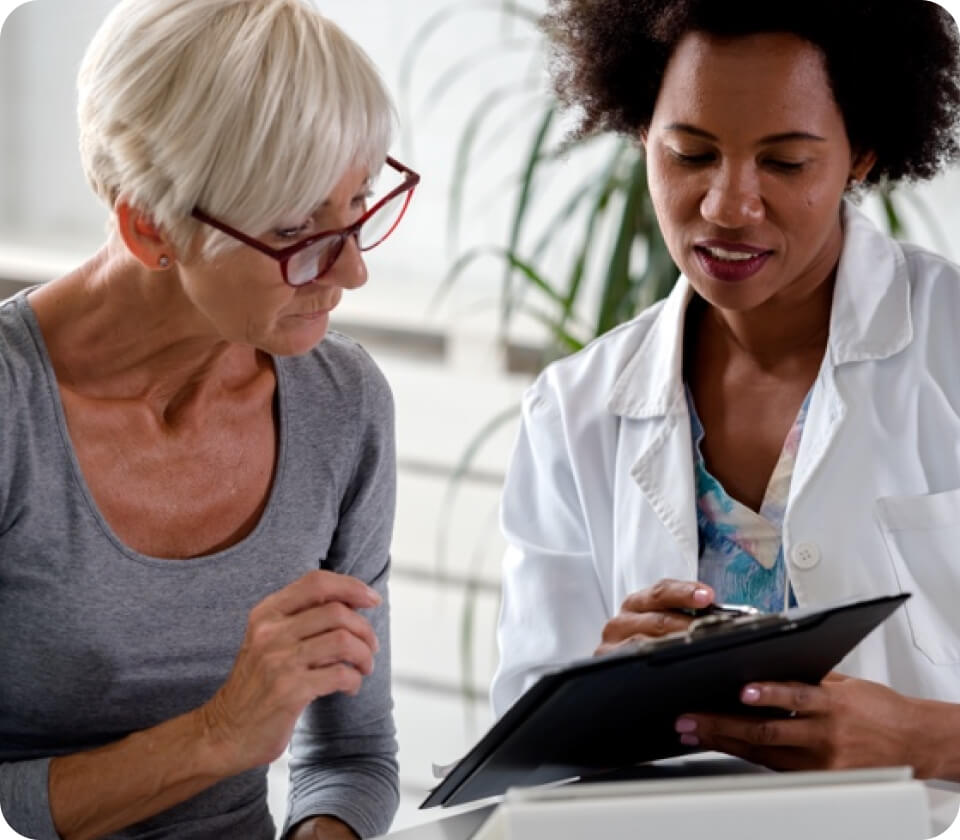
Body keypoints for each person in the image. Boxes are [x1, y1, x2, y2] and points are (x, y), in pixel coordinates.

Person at [492, 0, 960, 779]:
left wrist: (927, 741)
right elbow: (522, 753)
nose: (727, 207)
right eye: (690, 154)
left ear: (863, 153)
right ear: (643, 132)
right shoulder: (571, 409)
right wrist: (598, 688)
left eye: (785, 163)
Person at [0, 0, 419, 838]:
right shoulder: (15, 410)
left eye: (360, 204)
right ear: (149, 225)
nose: (353, 272)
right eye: (295, 228)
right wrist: (222, 735)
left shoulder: (343, 404)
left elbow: (353, 755)